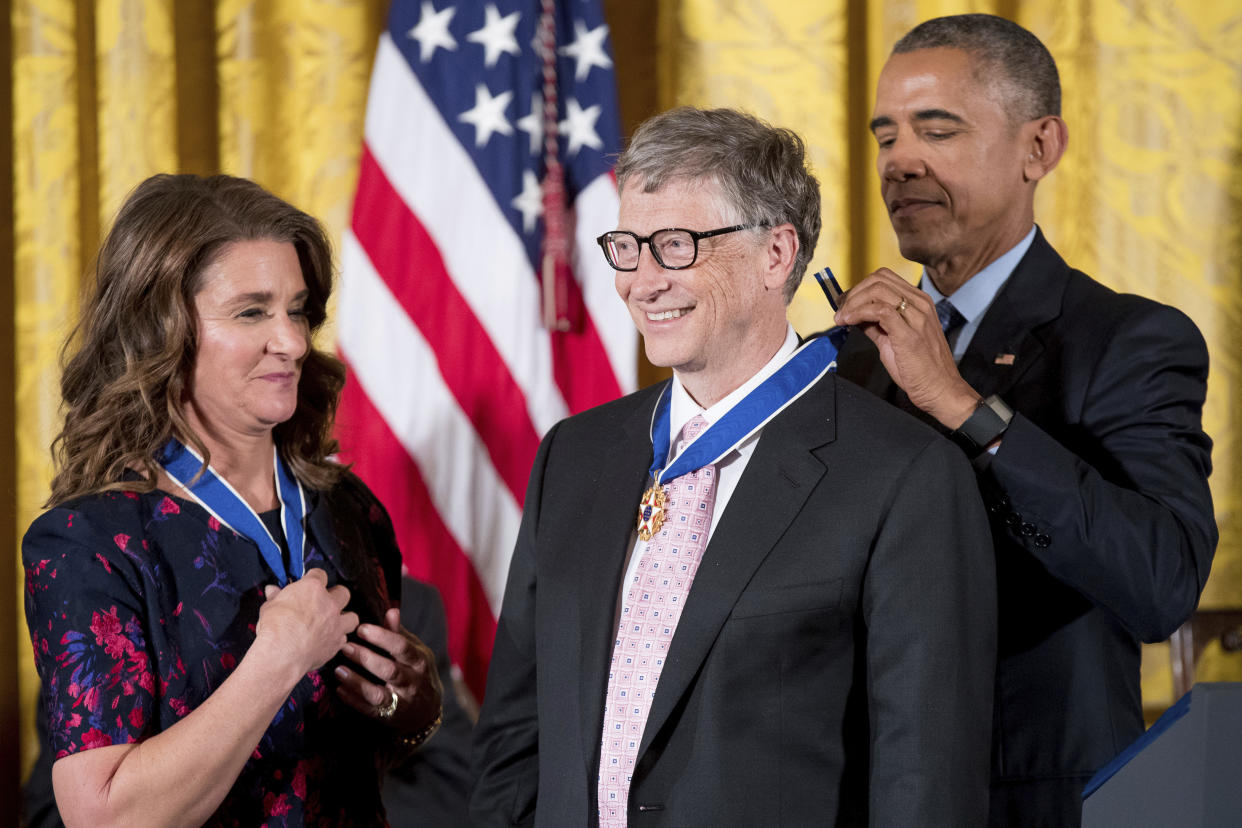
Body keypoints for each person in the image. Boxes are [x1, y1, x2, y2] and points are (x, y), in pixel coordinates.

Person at [470, 106, 997, 827]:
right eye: (627, 246)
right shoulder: (575, 454)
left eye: (676, 245)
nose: (641, 281)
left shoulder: (905, 477)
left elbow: (925, 786)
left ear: (777, 254)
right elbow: (516, 736)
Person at [832, 14, 1217, 827]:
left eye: (937, 130)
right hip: (847, 793)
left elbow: (1159, 584)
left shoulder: (1130, 341)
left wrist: (965, 409)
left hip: (1028, 802)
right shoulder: (842, 361)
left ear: (1038, 148)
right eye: (886, 135)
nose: (900, 162)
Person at [22, 173, 444, 826]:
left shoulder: (348, 509)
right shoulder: (87, 544)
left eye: (297, 309)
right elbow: (102, 816)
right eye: (252, 312)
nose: (295, 342)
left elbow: (374, 756)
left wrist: (411, 705)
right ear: (162, 330)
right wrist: (277, 660)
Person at [21, 577, 473, 828]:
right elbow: (55, 812)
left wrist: (409, 717)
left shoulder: (397, 600)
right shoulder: (107, 599)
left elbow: (454, 788)